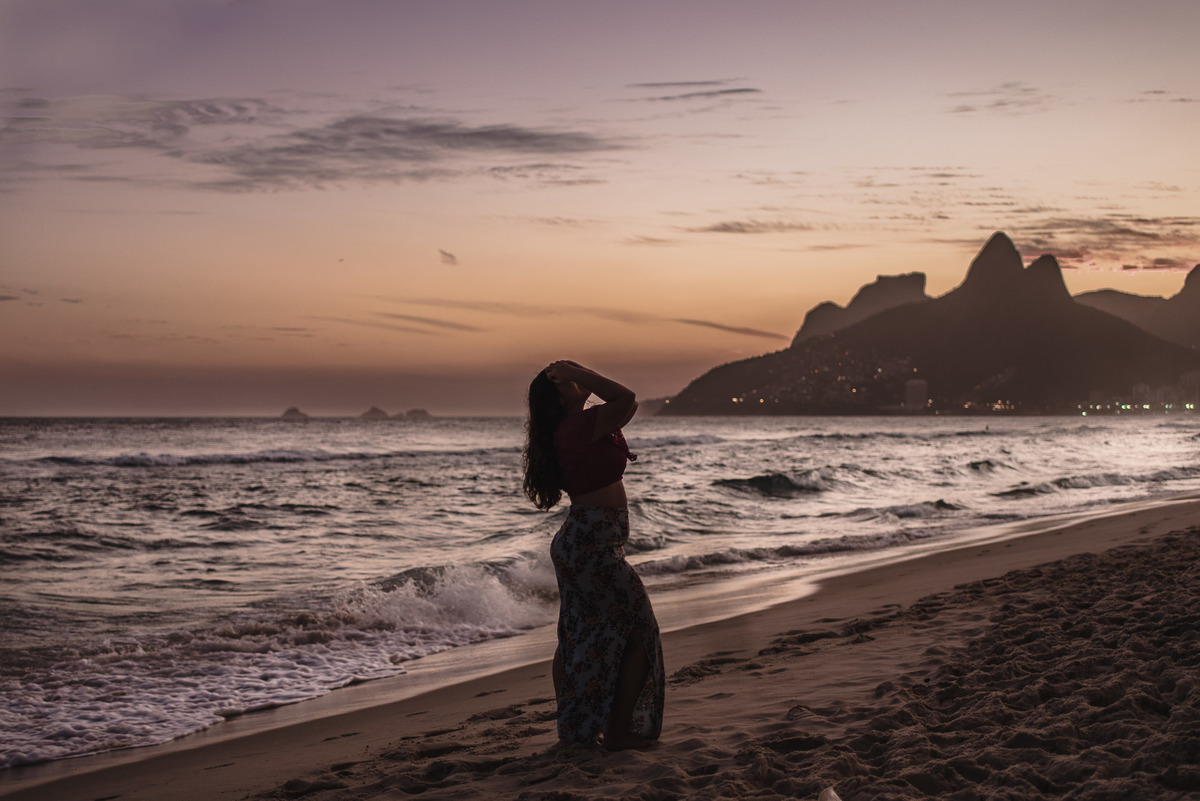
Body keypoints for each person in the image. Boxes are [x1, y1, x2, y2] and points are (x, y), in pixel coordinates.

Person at [522, 359, 664, 750]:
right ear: (558, 398)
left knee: (577, 634)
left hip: (589, 543)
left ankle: (576, 731)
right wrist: (578, 372)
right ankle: (616, 732)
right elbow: (627, 398)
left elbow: (626, 407)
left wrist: (574, 375)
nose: (572, 381)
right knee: (638, 630)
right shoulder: (574, 427)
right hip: (589, 546)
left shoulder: (579, 424)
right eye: (564, 382)